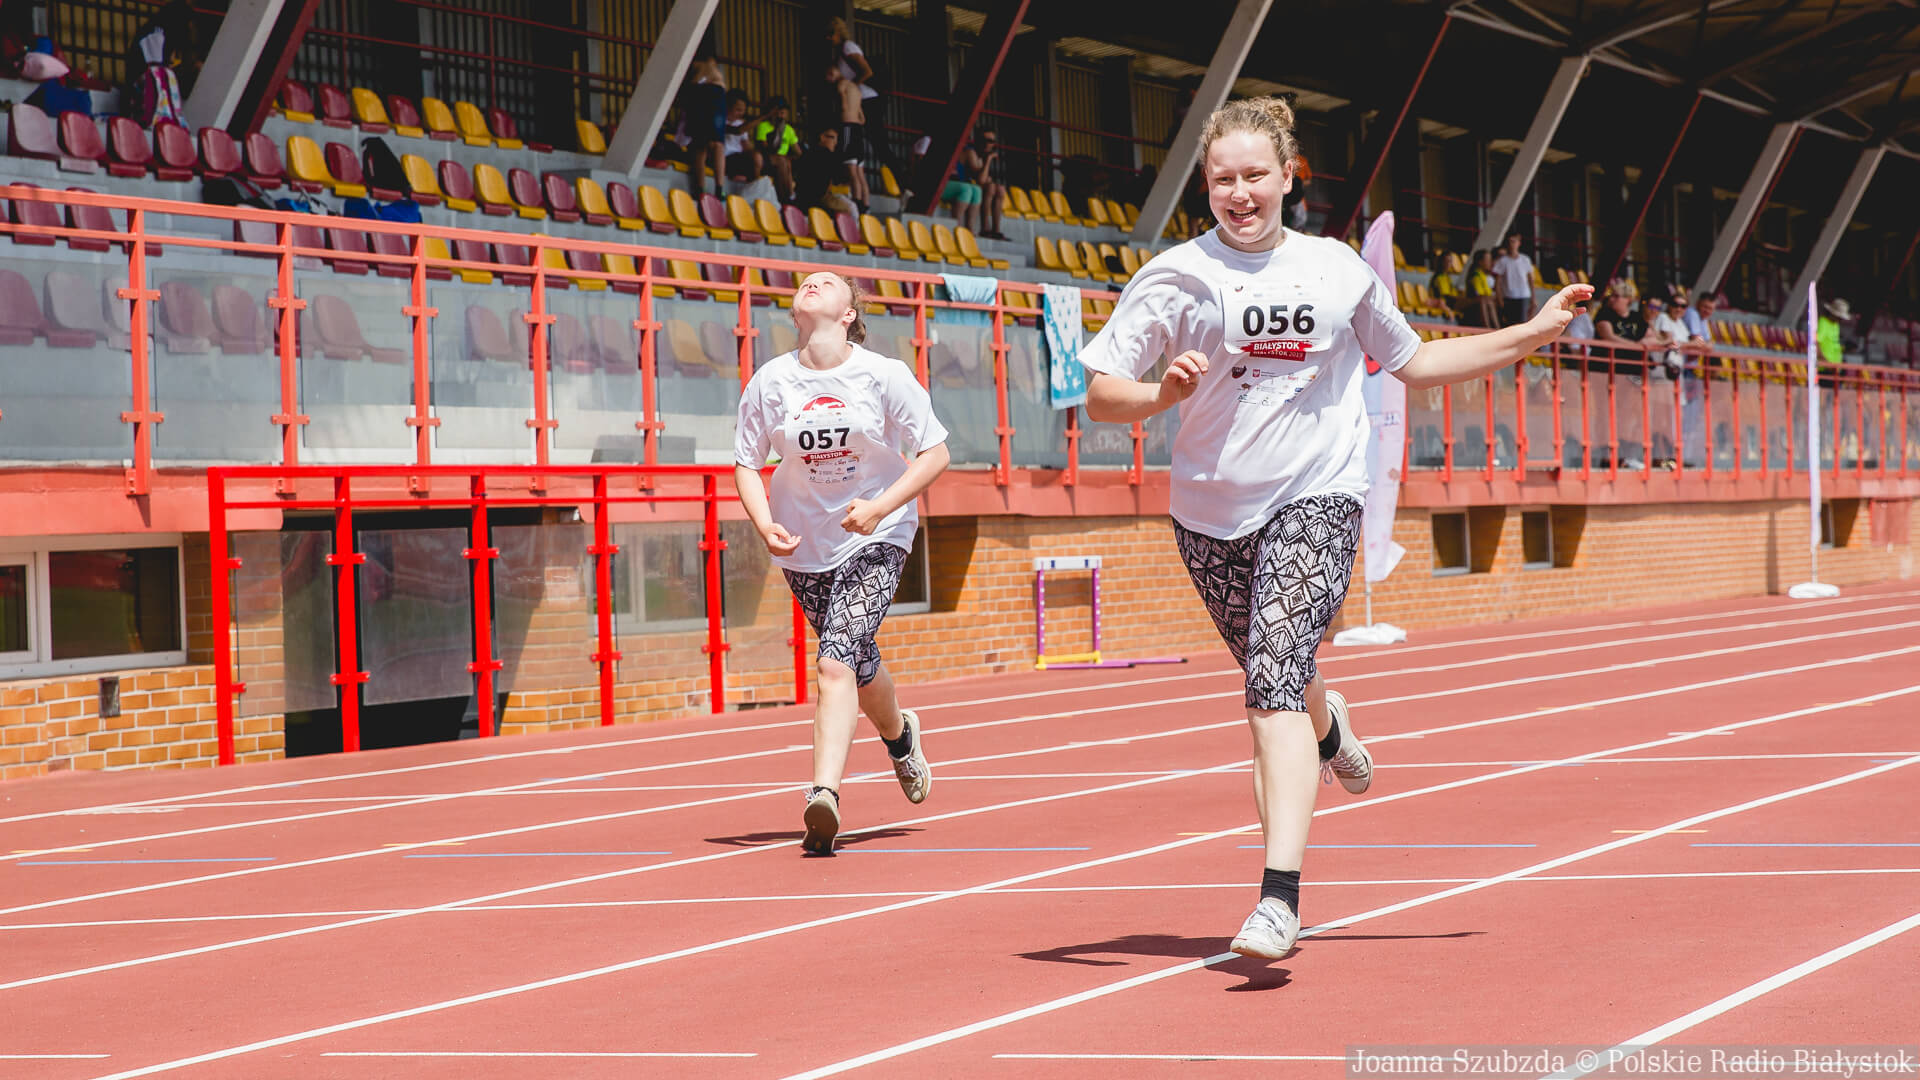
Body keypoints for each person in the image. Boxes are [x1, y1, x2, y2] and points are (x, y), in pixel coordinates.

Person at [1078, 96, 1590, 959]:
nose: (1239, 193)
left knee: (1269, 684)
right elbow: (1100, 396)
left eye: (1254, 175)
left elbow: (1417, 361)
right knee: (1279, 675)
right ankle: (1332, 730)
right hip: (1208, 513)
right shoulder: (1175, 274)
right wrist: (1160, 394)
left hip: (1317, 495)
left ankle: (1278, 899)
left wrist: (1532, 332)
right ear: (1205, 184)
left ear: (1289, 177)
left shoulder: (1336, 269)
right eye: (1222, 179)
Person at [734, 272, 951, 854]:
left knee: (834, 662)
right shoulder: (771, 380)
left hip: (878, 534)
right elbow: (746, 462)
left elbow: (935, 453)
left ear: (849, 313)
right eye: (806, 282)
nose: (812, 284)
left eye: (827, 282)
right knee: (856, 659)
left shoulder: (882, 375)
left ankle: (823, 796)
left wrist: (880, 508)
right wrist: (764, 523)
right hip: (804, 545)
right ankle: (901, 738)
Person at [680, 47, 728, 199]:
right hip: (713, 97)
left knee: (701, 146)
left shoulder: (698, 66)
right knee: (715, 145)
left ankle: (700, 188)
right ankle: (718, 188)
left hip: (701, 96)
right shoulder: (708, 66)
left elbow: (694, 82)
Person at [827, 64, 870, 212]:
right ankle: (866, 205)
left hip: (847, 127)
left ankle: (857, 204)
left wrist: (841, 104)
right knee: (860, 171)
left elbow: (844, 107)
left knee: (851, 170)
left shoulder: (841, 85)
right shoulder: (856, 88)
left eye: (828, 75)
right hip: (858, 129)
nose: (828, 79)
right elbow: (862, 118)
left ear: (834, 72)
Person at [795, 127, 855, 215]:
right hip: (819, 200)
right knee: (852, 208)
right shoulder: (827, 155)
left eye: (837, 139)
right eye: (833, 138)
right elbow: (839, 179)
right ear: (822, 137)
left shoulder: (807, 153)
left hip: (802, 200)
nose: (835, 142)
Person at [753, 95, 801, 203]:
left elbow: (798, 152)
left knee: (786, 161)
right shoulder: (763, 126)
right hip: (768, 160)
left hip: (784, 161)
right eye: (778, 112)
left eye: (783, 113)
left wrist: (792, 158)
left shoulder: (789, 130)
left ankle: (794, 196)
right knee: (783, 161)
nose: (781, 115)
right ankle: (786, 198)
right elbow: (764, 148)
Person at [1492, 233, 1536, 327]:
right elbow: (1497, 282)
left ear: (1518, 243)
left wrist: (1533, 298)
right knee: (1509, 325)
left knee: (1522, 324)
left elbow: (1530, 280)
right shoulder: (1502, 261)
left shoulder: (1525, 260)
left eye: (1513, 241)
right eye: (1509, 242)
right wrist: (1499, 298)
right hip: (1508, 296)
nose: (1511, 244)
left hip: (1523, 295)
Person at [719, 89, 761, 183]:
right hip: (725, 158)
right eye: (738, 110)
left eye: (743, 111)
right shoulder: (720, 120)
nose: (741, 113)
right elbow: (737, 131)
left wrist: (756, 155)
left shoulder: (740, 123)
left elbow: (746, 145)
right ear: (728, 107)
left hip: (739, 158)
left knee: (757, 158)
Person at [1466, 250, 1499, 328]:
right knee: (1485, 300)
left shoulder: (1483, 275)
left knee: (1489, 301)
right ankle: (1487, 327)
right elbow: (1479, 295)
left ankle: (1497, 327)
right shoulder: (1476, 276)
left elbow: (1489, 293)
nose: (1490, 263)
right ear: (1480, 262)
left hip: (1481, 302)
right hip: (1473, 306)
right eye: (1488, 260)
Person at [1818, 297, 1850, 367]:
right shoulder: (1823, 323)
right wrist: (1825, 362)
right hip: (1825, 367)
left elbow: (1833, 343)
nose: (1840, 320)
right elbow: (1816, 343)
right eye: (1839, 317)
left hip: (1835, 365)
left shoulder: (1836, 325)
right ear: (1833, 314)